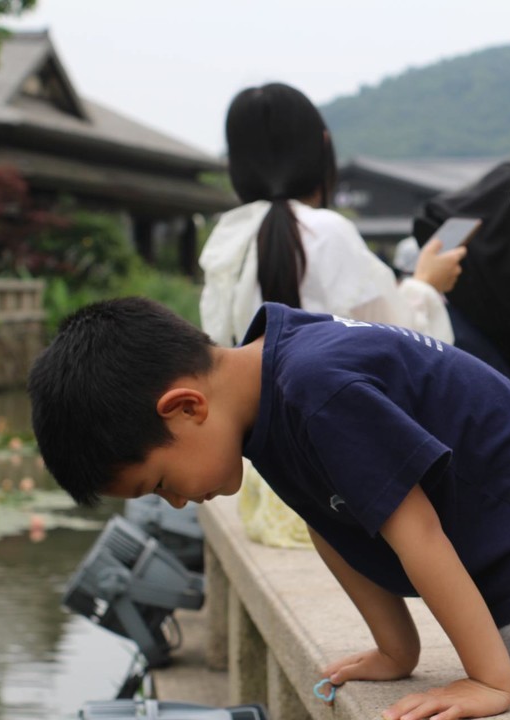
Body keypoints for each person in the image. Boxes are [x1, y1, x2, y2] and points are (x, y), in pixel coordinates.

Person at [27, 297, 510, 718]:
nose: (177, 501)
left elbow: (419, 534)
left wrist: (488, 681)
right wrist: (396, 649)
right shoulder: (271, 383)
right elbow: (330, 522)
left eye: (160, 483)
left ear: (185, 407)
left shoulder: (316, 388)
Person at [199, 82, 466, 548]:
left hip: (270, 492)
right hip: (345, 482)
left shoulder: (227, 237)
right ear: (322, 146)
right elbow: (394, 340)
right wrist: (425, 284)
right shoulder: (327, 231)